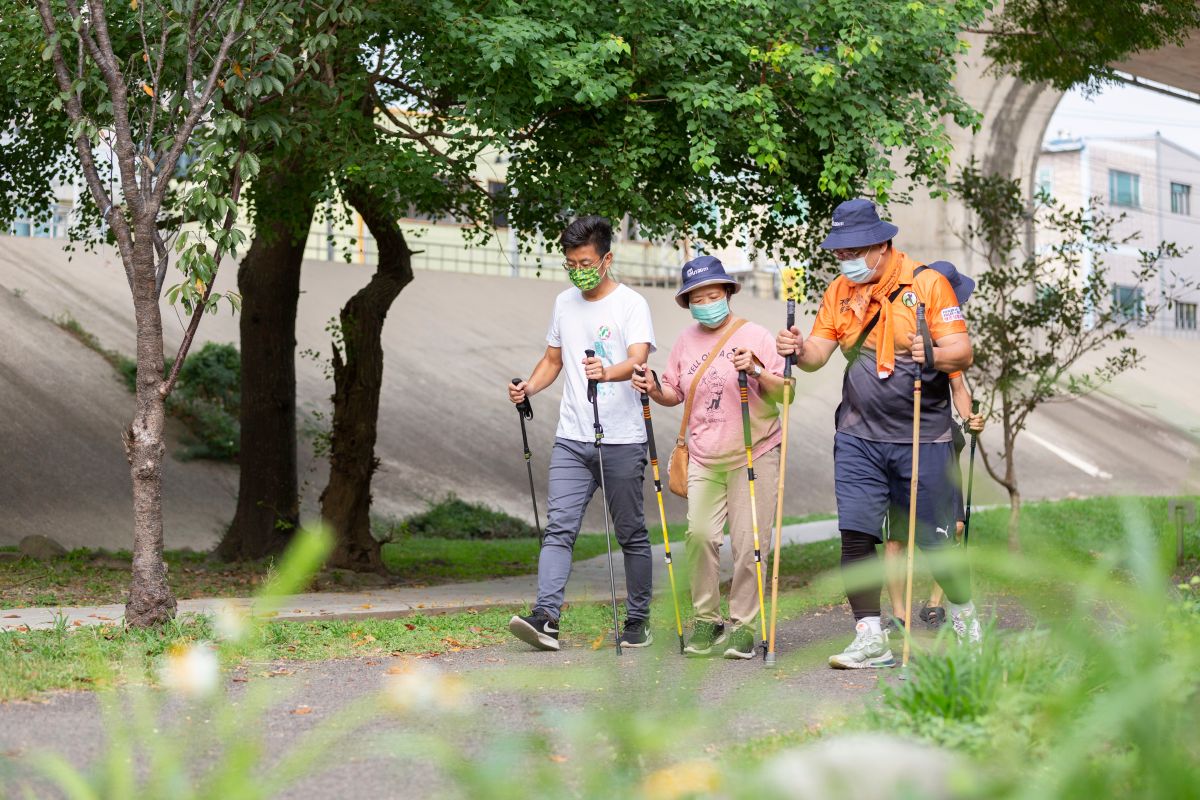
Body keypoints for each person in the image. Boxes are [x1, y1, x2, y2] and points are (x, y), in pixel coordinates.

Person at [775, 199, 983, 670]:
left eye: (854, 249)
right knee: (856, 535)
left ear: (883, 245)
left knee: (934, 544)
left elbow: (961, 352)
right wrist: (798, 347)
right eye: (839, 250)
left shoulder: (927, 284)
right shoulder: (840, 291)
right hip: (857, 434)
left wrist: (928, 352)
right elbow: (817, 354)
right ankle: (870, 637)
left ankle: (965, 614)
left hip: (921, 436)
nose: (845, 258)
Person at [507, 216, 657, 652]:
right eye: (570, 263)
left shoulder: (631, 304)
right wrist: (528, 387)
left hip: (622, 437)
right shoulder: (564, 303)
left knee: (630, 533)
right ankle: (546, 617)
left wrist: (607, 372)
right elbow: (553, 359)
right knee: (559, 530)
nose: (578, 270)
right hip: (572, 437)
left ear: (606, 259)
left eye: (585, 261)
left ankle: (638, 620)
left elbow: (638, 359)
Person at [632, 256, 788, 659]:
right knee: (700, 535)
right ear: (688, 302)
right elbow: (672, 393)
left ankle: (744, 624)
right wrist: (652, 387)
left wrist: (755, 369)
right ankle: (707, 619)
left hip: (756, 452)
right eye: (697, 297)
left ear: (727, 294)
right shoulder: (685, 341)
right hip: (703, 454)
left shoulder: (756, 335)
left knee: (750, 544)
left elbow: (785, 394)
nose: (706, 302)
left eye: (712, 295)